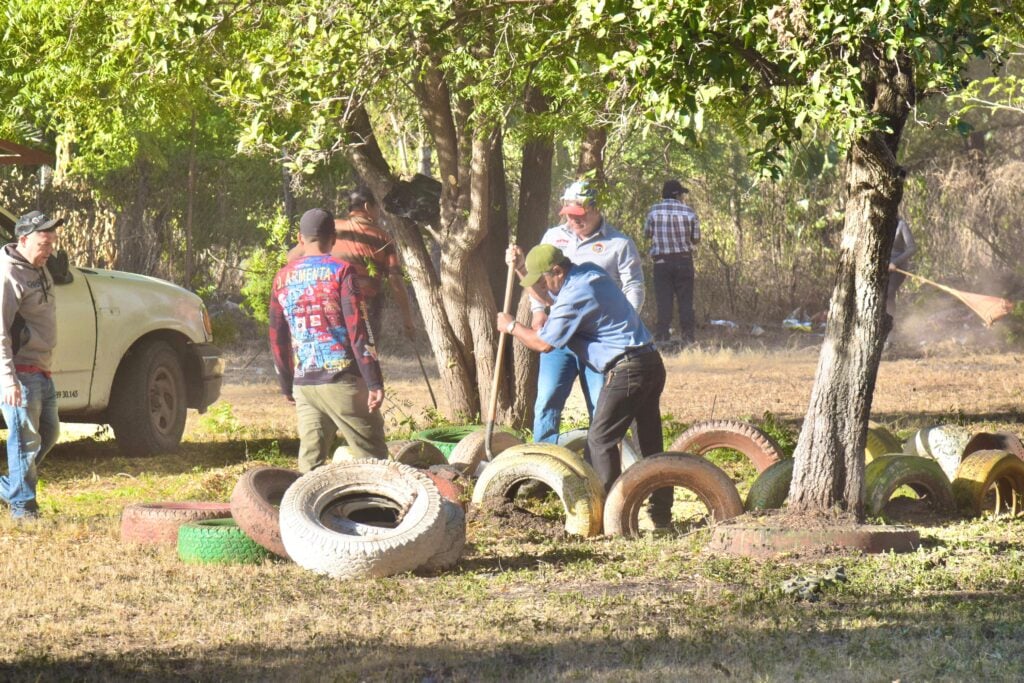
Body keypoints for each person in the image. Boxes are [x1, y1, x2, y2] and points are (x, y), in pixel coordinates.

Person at [498, 245, 671, 527]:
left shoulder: (578, 292)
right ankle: (661, 514)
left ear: (557, 271)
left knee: (600, 440)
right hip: (649, 361)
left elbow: (543, 343)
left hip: (628, 370)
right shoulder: (588, 273)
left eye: (543, 281)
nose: (544, 289)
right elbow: (554, 301)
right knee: (649, 442)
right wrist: (520, 270)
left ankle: (611, 516)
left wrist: (511, 326)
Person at [517, 179, 645, 445]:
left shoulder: (619, 243)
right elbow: (537, 280)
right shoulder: (553, 237)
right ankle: (544, 463)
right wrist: (539, 310)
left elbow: (633, 286)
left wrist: (625, 324)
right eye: (569, 215)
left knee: (602, 407)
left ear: (595, 209)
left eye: (579, 215)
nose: (574, 221)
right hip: (559, 333)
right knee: (547, 401)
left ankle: (607, 465)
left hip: (598, 341)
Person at [270, 208, 387, 473]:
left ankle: (302, 513)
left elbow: (277, 337)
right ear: (332, 238)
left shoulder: (282, 278)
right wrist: (373, 381)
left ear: (300, 239)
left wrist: (286, 384)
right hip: (342, 381)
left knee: (309, 470)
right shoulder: (342, 272)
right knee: (376, 464)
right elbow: (358, 328)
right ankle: (379, 513)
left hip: (305, 386)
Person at [288, 186, 416, 341]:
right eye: (378, 208)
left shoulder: (331, 229)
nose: (379, 213)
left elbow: (292, 258)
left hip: (328, 303)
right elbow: (395, 280)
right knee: (365, 353)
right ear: (368, 207)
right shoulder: (383, 238)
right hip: (364, 308)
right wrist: (407, 321)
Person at [0, 211, 62, 520]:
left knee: (49, 433)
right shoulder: (8, 274)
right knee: (24, 441)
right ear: (23, 240)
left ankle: (9, 489)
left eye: (52, 243)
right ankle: (24, 510)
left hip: (41, 367)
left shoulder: (40, 266)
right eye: (44, 243)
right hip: (21, 371)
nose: (49, 249)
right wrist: (7, 380)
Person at [644, 179, 700, 346]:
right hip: (684, 261)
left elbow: (647, 233)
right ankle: (688, 338)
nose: (683, 196)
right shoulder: (689, 212)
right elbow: (696, 239)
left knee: (664, 301)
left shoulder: (653, 211)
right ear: (677, 194)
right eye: (681, 193)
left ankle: (662, 338)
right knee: (685, 301)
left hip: (661, 262)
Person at [887, 216, 917, 309]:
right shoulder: (879, 225)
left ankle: (890, 321)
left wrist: (895, 263)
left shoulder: (901, 225)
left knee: (888, 294)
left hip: (897, 268)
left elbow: (912, 248)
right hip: (883, 267)